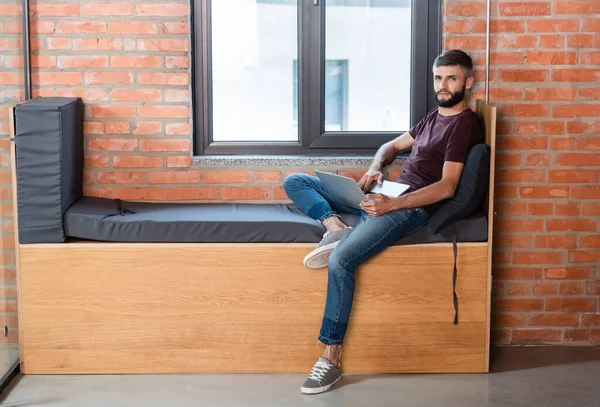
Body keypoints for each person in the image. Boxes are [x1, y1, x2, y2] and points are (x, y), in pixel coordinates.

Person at [283, 50, 485, 395]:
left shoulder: (464, 124)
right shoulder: (433, 117)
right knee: (296, 181)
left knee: (341, 260)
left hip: (407, 208)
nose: (443, 85)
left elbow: (448, 186)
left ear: (467, 81)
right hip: (386, 194)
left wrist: (394, 204)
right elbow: (391, 146)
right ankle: (335, 227)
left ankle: (330, 358)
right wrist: (376, 168)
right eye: (439, 77)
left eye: (451, 78)